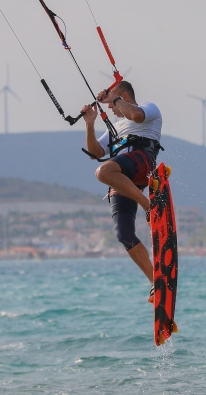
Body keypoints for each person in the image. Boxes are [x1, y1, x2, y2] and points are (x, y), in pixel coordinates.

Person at [80, 81, 162, 302]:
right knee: (123, 234)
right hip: (121, 178)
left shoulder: (149, 107)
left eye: (113, 102)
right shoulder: (115, 127)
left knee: (102, 172)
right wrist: (89, 124)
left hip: (142, 163)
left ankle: (148, 206)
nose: (110, 107)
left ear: (123, 96)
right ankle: (156, 281)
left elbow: (135, 115)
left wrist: (115, 99)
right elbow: (94, 152)